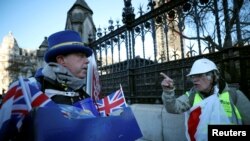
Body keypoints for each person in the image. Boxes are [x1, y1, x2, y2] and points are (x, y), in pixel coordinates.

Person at [0, 30, 93, 141]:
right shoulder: (27, 90)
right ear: (61, 60)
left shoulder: (84, 95)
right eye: (81, 55)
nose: (87, 60)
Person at [160, 58, 250, 139]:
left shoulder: (234, 95)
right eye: (193, 76)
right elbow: (173, 108)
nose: (194, 80)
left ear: (213, 76)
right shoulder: (191, 96)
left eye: (199, 75)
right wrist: (168, 91)